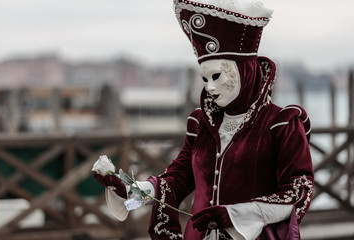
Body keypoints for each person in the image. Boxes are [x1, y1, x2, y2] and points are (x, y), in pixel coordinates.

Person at [94, 0, 314, 239]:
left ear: (244, 70)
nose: (210, 87)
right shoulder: (202, 124)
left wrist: (235, 215)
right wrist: (133, 190)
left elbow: (298, 192)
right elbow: (178, 178)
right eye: (204, 79)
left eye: (217, 76)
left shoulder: (281, 123)